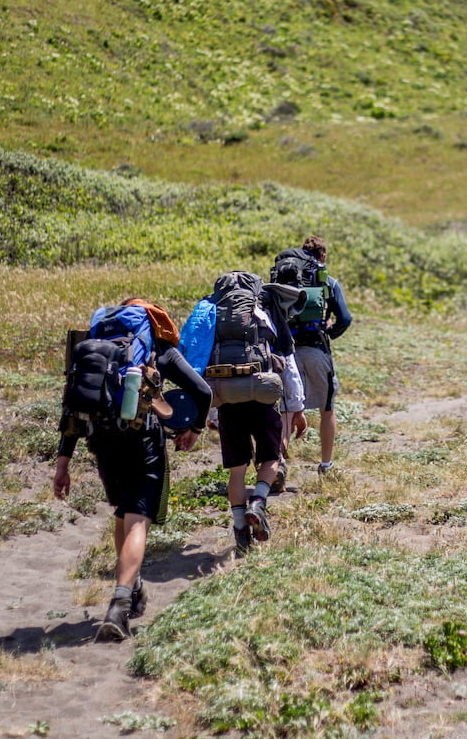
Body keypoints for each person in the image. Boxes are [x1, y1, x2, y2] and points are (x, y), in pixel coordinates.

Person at [52, 300, 210, 642]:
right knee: (138, 516)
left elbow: (71, 405)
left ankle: (133, 586)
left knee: (122, 512)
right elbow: (202, 391)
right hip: (142, 440)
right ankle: (119, 604)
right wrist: (194, 429)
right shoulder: (158, 349)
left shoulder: (92, 348)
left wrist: (63, 462)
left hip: (101, 439)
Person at [206, 272, 305, 556]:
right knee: (270, 458)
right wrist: (296, 405)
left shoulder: (214, 314)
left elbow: (202, 359)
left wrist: (211, 410)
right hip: (262, 395)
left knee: (236, 470)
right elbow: (285, 355)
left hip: (227, 399)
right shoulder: (262, 311)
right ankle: (258, 503)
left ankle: (240, 530)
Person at [284, 235, 352, 476]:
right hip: (316, 349)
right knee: (327, 409)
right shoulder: (328, 283)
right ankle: (325, 464)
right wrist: (329, 332)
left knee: (286, 410)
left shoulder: (283, 281)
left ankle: (278, 466)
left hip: (287, 353)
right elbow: (346, 318)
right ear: (323, 256)